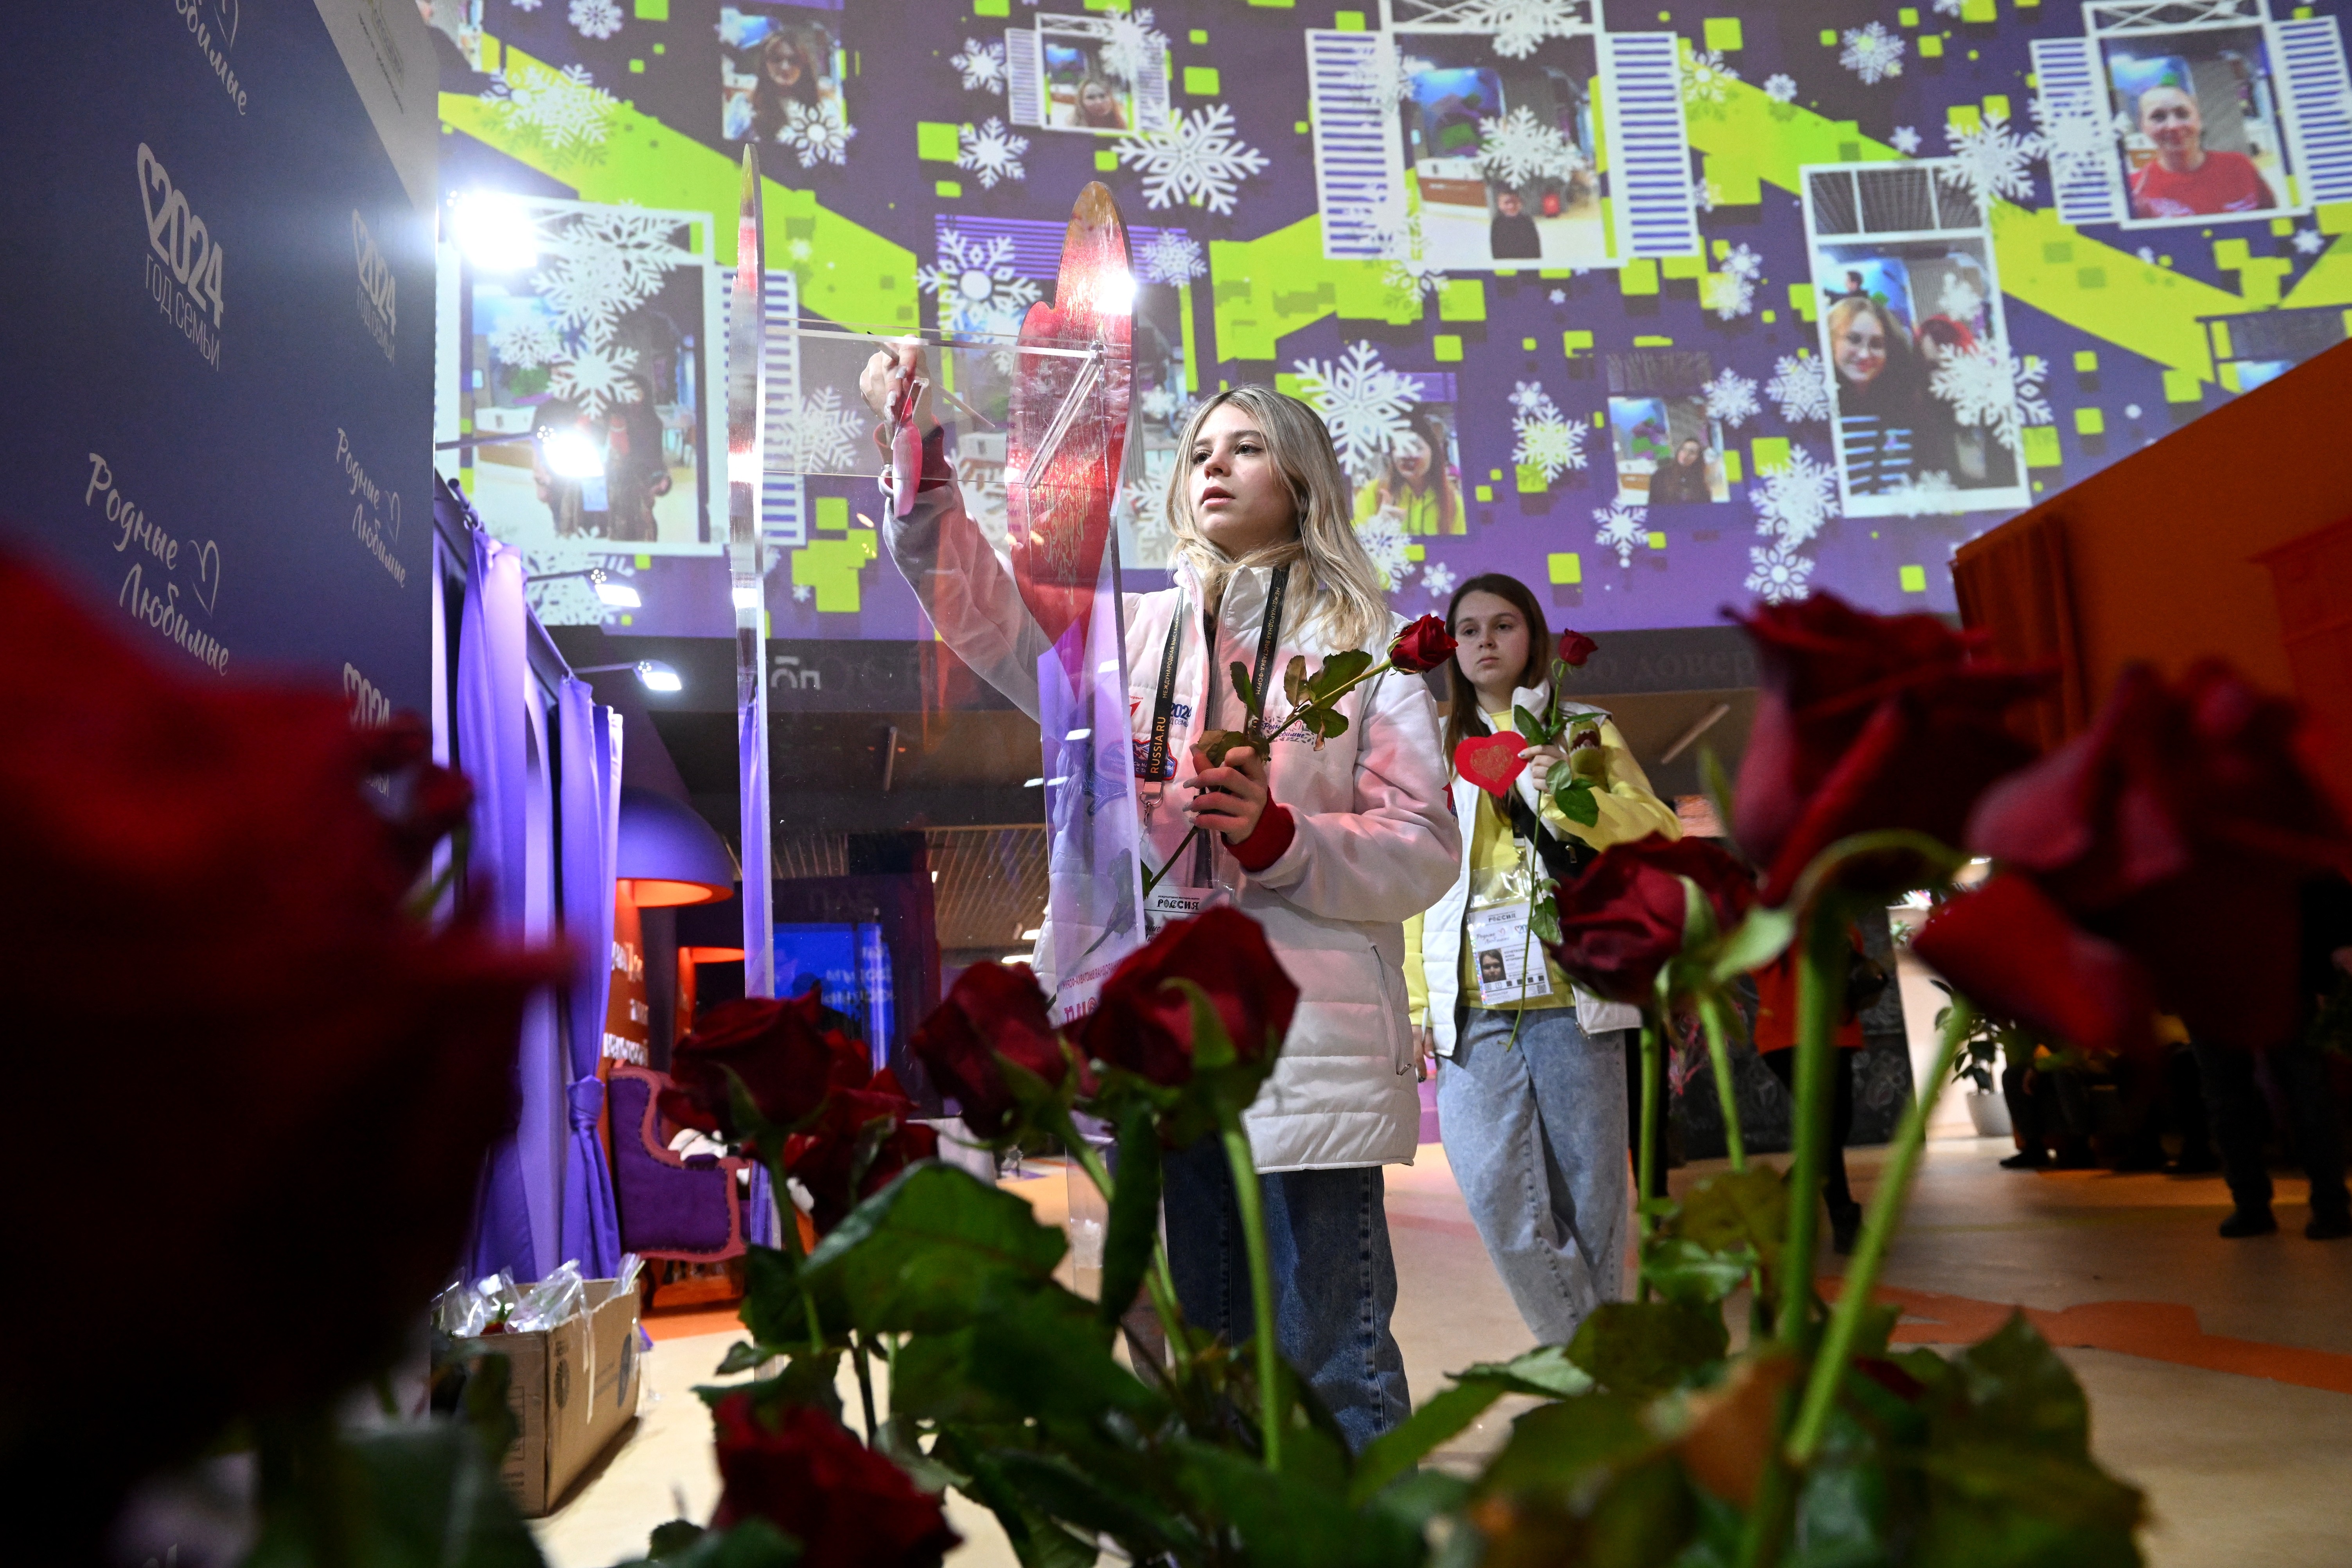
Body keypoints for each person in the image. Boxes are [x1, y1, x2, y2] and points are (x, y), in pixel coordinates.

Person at [863, 345, 1460, 1446]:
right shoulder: (1129, 634)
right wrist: (920, 459)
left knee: (1332, 1359)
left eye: (1246, 448)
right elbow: (985, 616)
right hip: (1167, 1041)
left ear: (1301, 478)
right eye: (1197, 452)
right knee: (1210, 1365)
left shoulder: (1362, 649)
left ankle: (1354, 1524)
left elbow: (1423, 847)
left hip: (1307, 1048)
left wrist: (1279, 837)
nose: (1213, 467)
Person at [1403, 574, 1681, 1345]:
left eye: (1503, 624)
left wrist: (1559, 790)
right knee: (1498, 1197)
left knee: (1593, 1203)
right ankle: (1599, 1356)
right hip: (1470, 1005)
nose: (1484, 641)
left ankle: (1594, 1379)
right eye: (1467, 629)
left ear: (1532, 636)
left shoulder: (1584, 729)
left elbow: (1657, 832)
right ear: (1450, 648)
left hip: (1573, 994)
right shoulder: (1429, 745)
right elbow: (1413, 882)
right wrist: (1416, 1002)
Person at [2196, 873, 2352, 1239]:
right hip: (2256, 966)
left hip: (2241, 967)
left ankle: (2259, 1205)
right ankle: (2324, 1204)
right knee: (2300, 1091)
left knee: (2236, 1096)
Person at [1750, 929, 1883, 1254]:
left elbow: (1852, 950)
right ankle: (1844, 1222)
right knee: (1827, 1129)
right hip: (1787, 1032)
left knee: (1835, 1127)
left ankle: (1784, 1198)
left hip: (1835, 1030)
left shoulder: (1836, 912)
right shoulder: (1767, 913)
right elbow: (1756, 959)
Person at [2128, 83, 2277, 219]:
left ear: (2198, 118)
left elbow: (2274, 223)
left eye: (2182, 114)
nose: (2174, 126)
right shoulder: (2135, 189)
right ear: (2143, 127)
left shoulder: (2239, 166)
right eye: (2158, 117)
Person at [1352, 413, 1463, 536]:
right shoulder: (1372, 493)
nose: (1408, 456)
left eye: (1417, 448)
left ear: (1433, 452)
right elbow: (1350, 542)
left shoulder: (1453, 502)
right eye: (1400, 448)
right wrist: (1376, 528)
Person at [751, 30, 824, 143]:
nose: (785, 67)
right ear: (765, 65)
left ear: (804, 66)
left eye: (793, 60)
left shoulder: (822, 111)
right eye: (777, 59)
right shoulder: (748, 110)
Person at [1646, 436, 1714, 505]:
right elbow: (1653, 506)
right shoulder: (1661, 476)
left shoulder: (1701, 482)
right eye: (1684, 449)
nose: (1686, 455)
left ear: (1698, 458)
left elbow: (1706, 508)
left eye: (1692, 452)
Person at [1060, 72, 1127, 131]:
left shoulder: (1123, 124)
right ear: (1081, 103)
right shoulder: (1072, 128)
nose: (1099, 102)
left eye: (1103, 96)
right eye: (1091, 97)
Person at [1490, 189, 1541, 260]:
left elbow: (1535, 248)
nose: (1511, 206)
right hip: (1506, 264)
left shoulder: (1527, 222)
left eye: (1514, 202)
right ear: (1500, 205)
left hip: (1527, 263)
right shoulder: (1497, 223)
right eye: (1507, 203)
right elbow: (1496, 249)